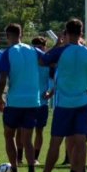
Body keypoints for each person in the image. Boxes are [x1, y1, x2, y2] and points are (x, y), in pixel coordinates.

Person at [28, 18, 87, 172]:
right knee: (80, 141)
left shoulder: (61, 51)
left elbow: (42, 61)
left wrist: (57, 45)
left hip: (64, 103)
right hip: (82, 102)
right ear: (81, 33)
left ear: (65, 33)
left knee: (55, 142)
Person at [0, 23, 44, 172]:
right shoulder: (33, 50)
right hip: (32, 101)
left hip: (15, 101)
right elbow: (47, 60)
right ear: (21, 34)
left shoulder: (8, 53)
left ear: (7, 36)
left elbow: (2, 77)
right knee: (27, 139)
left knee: (9, 135)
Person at [30, 36, 52, 164]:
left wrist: (50, 91)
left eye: (40, 47)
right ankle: (20, 157)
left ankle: (36, 157)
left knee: (39, 130)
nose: (38, 50)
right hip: (29, 102)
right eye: (36, 48)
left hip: (42, 103)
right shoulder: (29, 62)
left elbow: (54, 79)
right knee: (24, 131)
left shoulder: (48, 63)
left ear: (45, 48)